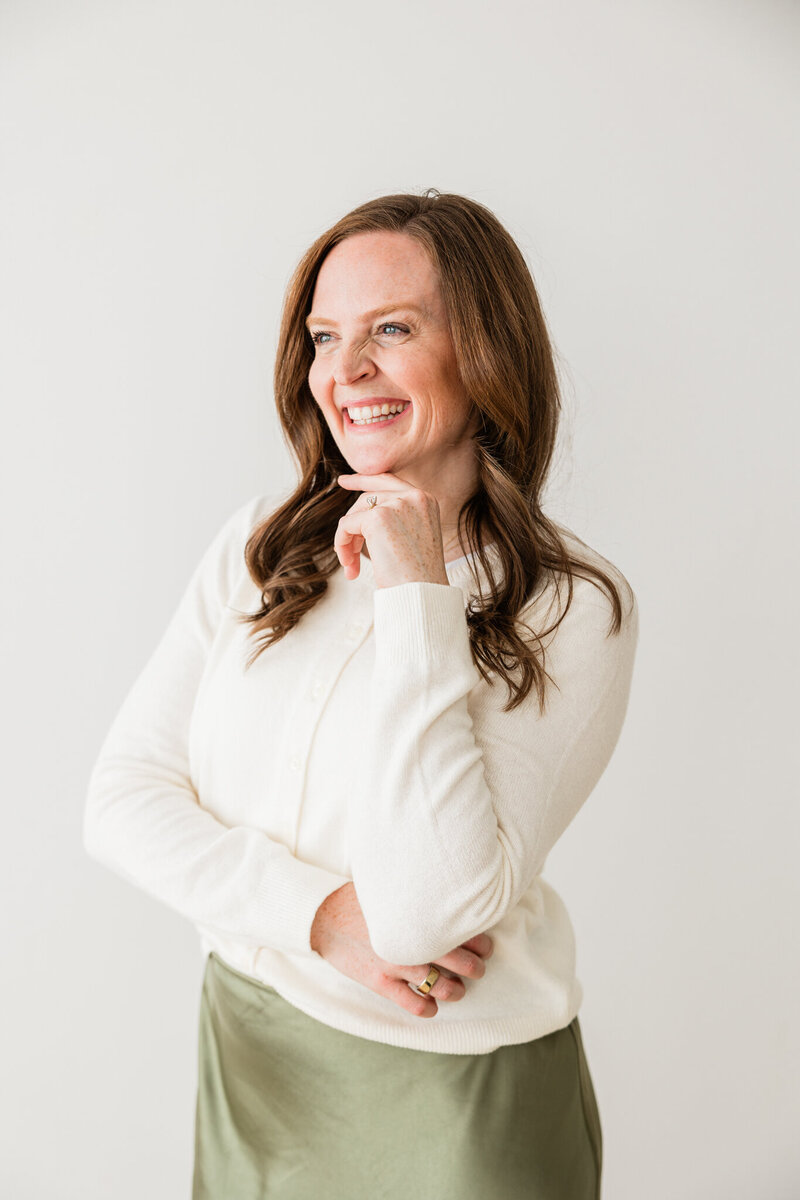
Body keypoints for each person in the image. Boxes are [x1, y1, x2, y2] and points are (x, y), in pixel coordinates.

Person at [83, 189, 639, 1199]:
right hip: (250, 1057)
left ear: (483, 355)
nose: (344, 372)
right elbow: (120, 803)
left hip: (459, 1103)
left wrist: (416, 598)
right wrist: (319, 917)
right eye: (324, 337)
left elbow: (425, 917)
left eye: (392, 329)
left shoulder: (571, 607)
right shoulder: (261, 546)